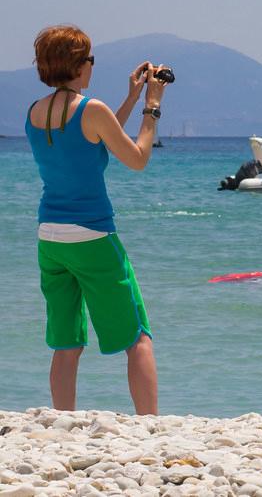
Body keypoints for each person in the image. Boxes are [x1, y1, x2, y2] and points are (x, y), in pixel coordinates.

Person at [25, 25, 170, 414]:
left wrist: (130, 96)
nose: (92, 66)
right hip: (92, 235)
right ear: (77, 64)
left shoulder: (36, 112)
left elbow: (93, 138)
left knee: (66, 340)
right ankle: (150, 426)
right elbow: (136, 158)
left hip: (50, 239)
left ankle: (61, 421)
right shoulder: (92, 109)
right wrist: (151, 105)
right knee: (137, 336)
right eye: (90, 59)